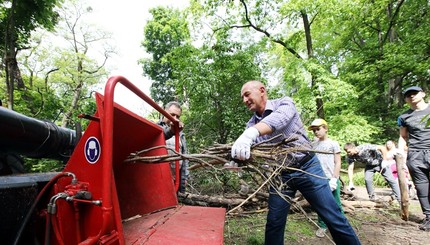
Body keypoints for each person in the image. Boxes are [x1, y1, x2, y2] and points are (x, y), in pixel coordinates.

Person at [231, 80, 360, 245]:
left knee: (333, 217)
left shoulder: (284, 103)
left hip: (308, 167)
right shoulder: (250, 124)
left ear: (261, 90)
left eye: (247, 94)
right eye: (242, 97)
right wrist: (238, 157)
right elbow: (255, 152)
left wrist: (251, 133)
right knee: (274, 223)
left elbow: (278, 121)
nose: (244, 100)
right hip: (280, 176)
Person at [397, 85, 430, 231]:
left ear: (422, 94)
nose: (411, 96)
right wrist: (402, 157)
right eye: (408, 95)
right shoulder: (404, 117)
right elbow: (403, 137)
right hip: (415, 155)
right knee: (422, 188)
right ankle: (429, 217)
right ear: (405, 99)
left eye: (414, 93)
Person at [308, 118, 345, 238]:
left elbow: (338, 162)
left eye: (318, 129)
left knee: (336, 203)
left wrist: (335, 178)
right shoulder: (313, 144)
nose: (316, 132)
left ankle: (342, 225)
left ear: (326, 128)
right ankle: (323, 225)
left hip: (331, 177)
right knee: (320, 203)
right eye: (314, 131)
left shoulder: (333, 143)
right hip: (318, 177)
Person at [157, 101, 189, 193]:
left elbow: (184, 156)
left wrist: (185, 177)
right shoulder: (155, 127)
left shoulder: (181, 134)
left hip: (176, 181)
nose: (175, 119)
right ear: (164, 112)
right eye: (172, 115)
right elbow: (159, 135)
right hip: (159, 179)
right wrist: (171, 131)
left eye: (178, 116)